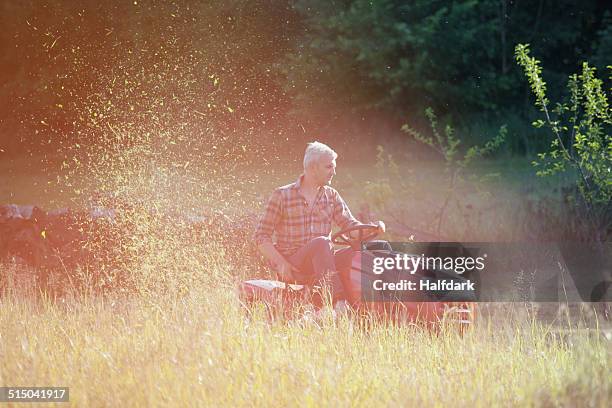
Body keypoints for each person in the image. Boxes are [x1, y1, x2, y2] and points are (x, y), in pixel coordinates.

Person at [254, 141, 385, 312]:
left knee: (376, 249)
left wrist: (372, 228)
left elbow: (350, 226)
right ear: (313, 168)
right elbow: (260, 236)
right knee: (322, 243)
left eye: (334, 166)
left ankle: (385, 304)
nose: (334, 171)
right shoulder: (282, 195)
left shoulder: (331, 195)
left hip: (324, 260)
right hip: (295, 263)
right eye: (329, 166)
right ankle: (337, 304)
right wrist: (281, 263)